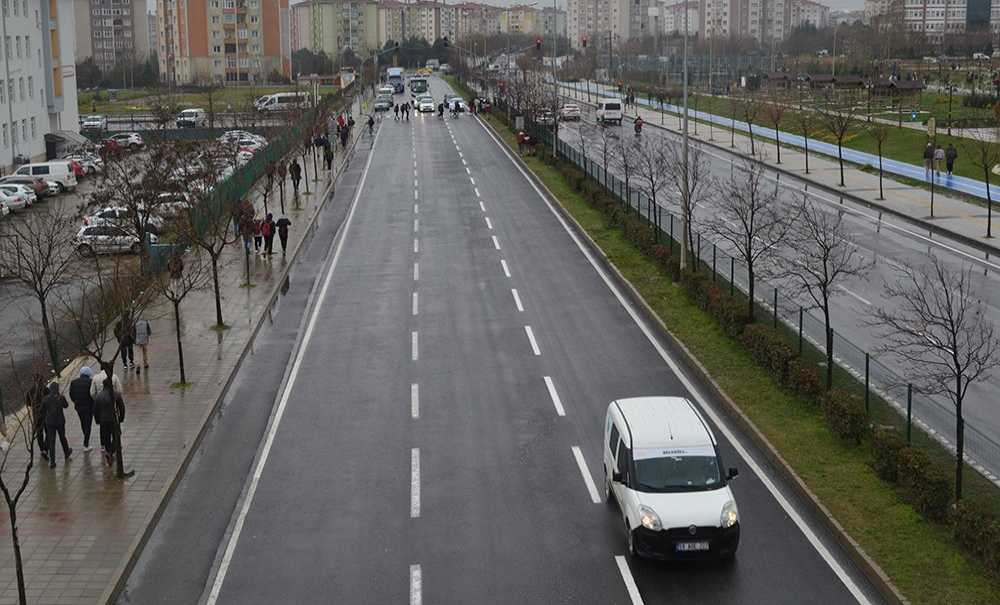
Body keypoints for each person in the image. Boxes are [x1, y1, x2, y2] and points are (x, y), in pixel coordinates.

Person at [94, 377, 125, 467]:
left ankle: (108, 452)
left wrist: (97, 420)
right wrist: (121, 418)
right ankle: (111, 452)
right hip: (113, 419)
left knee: (106, 437)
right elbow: (121, 407)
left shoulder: (99, 396)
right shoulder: (116, 394)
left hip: (103, 420)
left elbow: (95, 410)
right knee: (116, 436)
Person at [41, 382, 71, 468]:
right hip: (60, 421)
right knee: (62, 437)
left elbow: (42, 410)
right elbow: (66, 406)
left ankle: (52, 462)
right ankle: (66, 452)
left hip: (50, 422)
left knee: (51, 441)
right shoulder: (60, 397)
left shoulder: (45, 399)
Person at [69, 366, 95, 451]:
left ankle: (86, 438)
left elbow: (71, 395)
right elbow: (93, 394)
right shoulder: (91, 382)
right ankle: (86, 444)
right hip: (88, 407)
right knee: (88, 424)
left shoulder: (73, 382)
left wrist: (75, 401)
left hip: (78, 406)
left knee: (83, 423)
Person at [27, 374, 47, 460]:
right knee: (48, 431)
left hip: (36, 414)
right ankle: (46, 447)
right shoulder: (45, 389)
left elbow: (28, 402)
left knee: (39, 432)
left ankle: (42, 448)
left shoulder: (31, 391)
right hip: (45, 413)